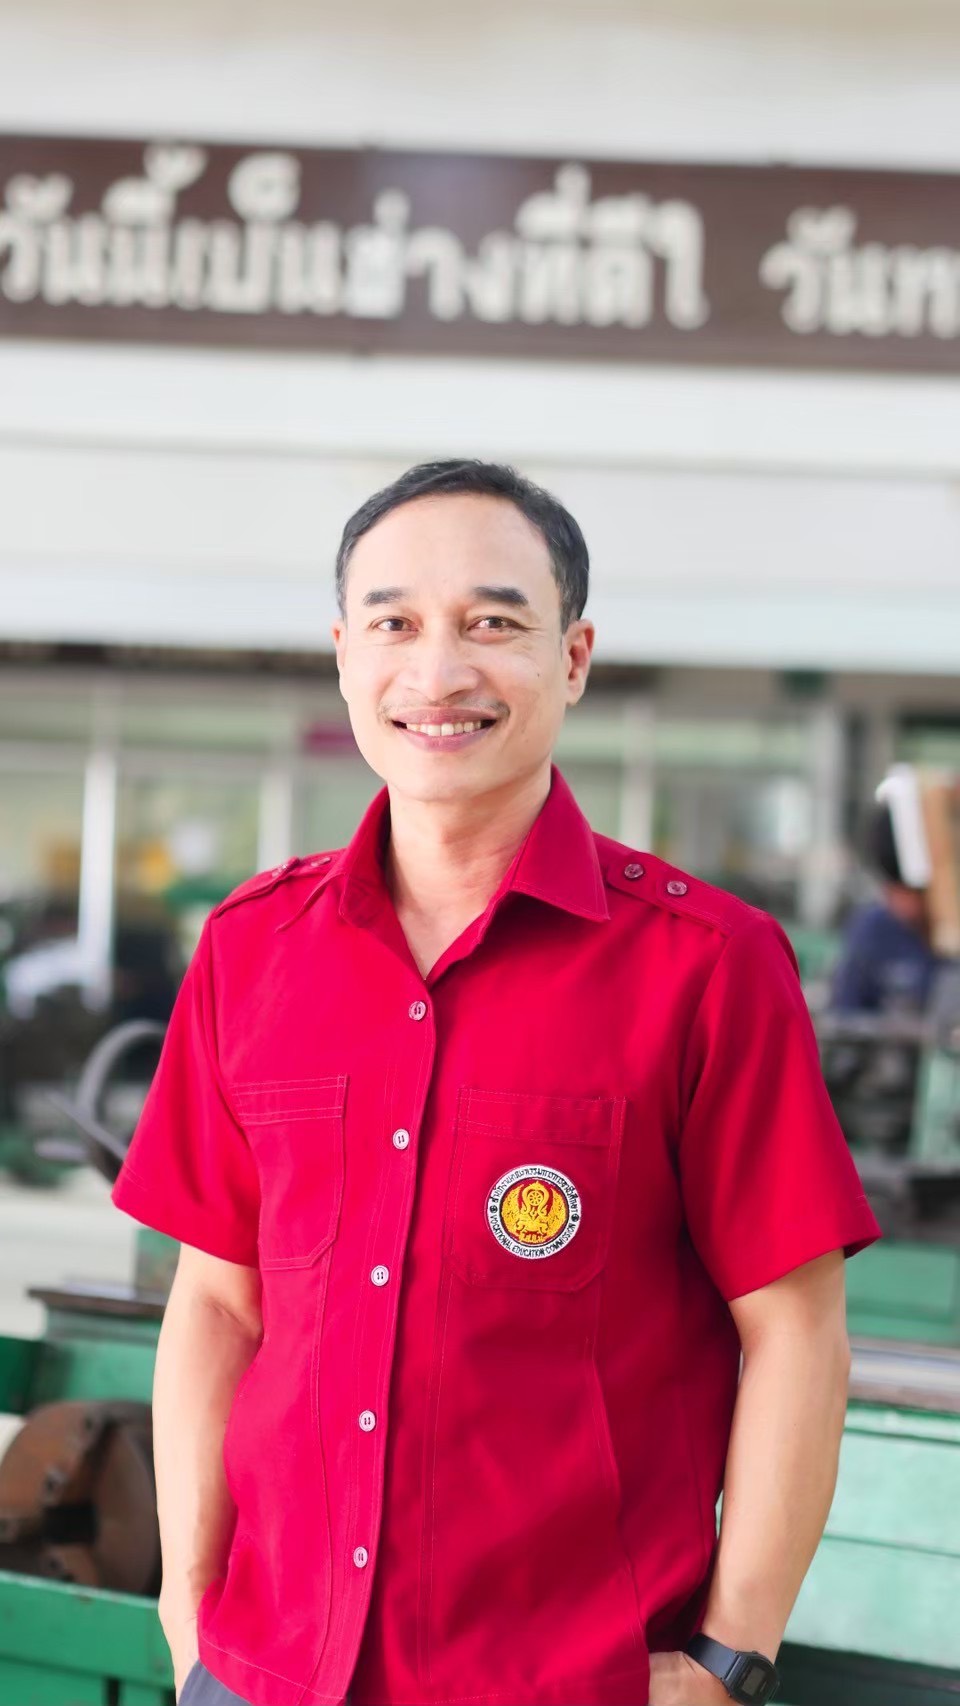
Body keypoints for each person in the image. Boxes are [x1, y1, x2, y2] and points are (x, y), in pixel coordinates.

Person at [110, 460, 881, 1706]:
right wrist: (190, 1609)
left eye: (492, 622)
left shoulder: (707, 965)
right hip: (265, 1671)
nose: (438, 671)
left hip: (563, 1679)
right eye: (394, 623)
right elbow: (216, 1301)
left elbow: (795, 1330)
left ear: (573, 658)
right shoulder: (252, 948)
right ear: (343, 655)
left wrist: (732, 1655)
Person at [831, 802, 941, 1015]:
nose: (910, 907)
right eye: (899, 891)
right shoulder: (872, 932)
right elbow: (844, 1013)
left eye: (919, 892)